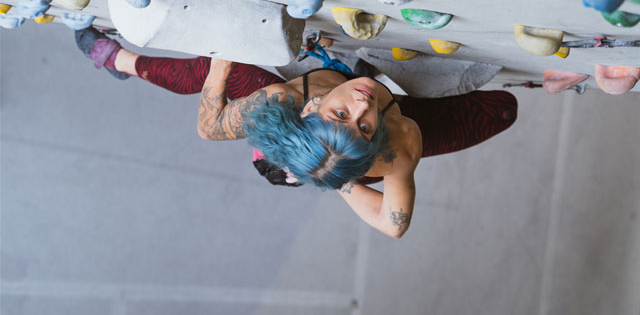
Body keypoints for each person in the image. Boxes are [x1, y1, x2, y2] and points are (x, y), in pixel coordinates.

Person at [76, 27, 517, 238]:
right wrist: (340, 174)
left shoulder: (279, 103)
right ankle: (121, 63)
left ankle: (119, 60)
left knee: (502, 109)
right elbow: (393, 226)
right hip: (343, 147)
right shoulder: (400, 146)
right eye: (361, 123)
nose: (363, 102)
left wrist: (221, 57)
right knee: (503, 109)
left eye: (344, 113)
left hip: (322, 135)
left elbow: (209, 127)